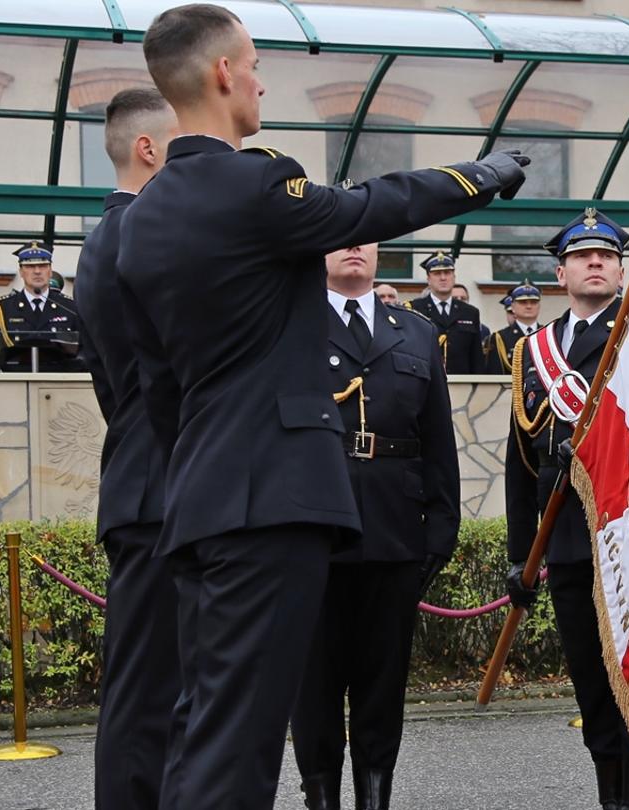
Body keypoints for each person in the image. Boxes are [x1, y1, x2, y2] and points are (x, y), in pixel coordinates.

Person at [116, 5, 526, 808]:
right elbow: (373, 206)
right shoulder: (257, 182)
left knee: (208, 723)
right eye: (255, 62)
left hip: (199, 499)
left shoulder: (145, 219)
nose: (262, 78)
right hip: (274, 502)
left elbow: (158, 390)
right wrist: (485, 175)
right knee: (242, 744)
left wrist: (206, 464)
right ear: (225, 74)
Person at [290, 242, 459, 810]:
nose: (356, 247)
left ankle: (374, 798)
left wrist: (441, 526)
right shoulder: (287, 322)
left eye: (366, 236)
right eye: (342, 236)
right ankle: (320, 798)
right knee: (313, 687)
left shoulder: (412, 332)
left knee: (382, 689)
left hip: (393, 533)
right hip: (311, 532)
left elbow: (438, 439)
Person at [504, 209, 629, 810]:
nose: (594, 262)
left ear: (622, 270)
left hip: (628, 536)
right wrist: (523, 558)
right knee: (592, 692)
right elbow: (521, 463)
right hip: (565, 539)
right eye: (582, 255)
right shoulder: (533, 352)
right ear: (560, 270)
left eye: (606, 255)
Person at [73, 86, 180, 810]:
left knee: (157, 688)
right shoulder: (138, 234)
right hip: (157, 485)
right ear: (148, 148)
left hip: (146, 476)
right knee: (146, 692)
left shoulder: (111, 233)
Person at [0, 244, 87, 372]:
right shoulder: (3, 307)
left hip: (58, 381)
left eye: (43, 266)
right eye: (30, 266)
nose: (37, 271)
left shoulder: (69, 306)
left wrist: (81, 360)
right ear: (21, 272)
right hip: (16, 381)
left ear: (50, 271)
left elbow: (86, 347)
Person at [407, 251, 483, 373]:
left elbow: (476, 357)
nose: (443, 278)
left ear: (454, 277)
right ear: (428, 279)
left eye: (447, 273)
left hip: (462, 383)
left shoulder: (470, 312)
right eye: (437, 273)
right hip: (428, 382)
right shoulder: (415, 309)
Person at [481, 282, 542, 374]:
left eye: (533, 302)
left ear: (539, 306)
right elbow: (494, 373)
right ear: (513, 307)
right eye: (523, 302)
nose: (529, 306)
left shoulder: (550, 333)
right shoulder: (499, 338)